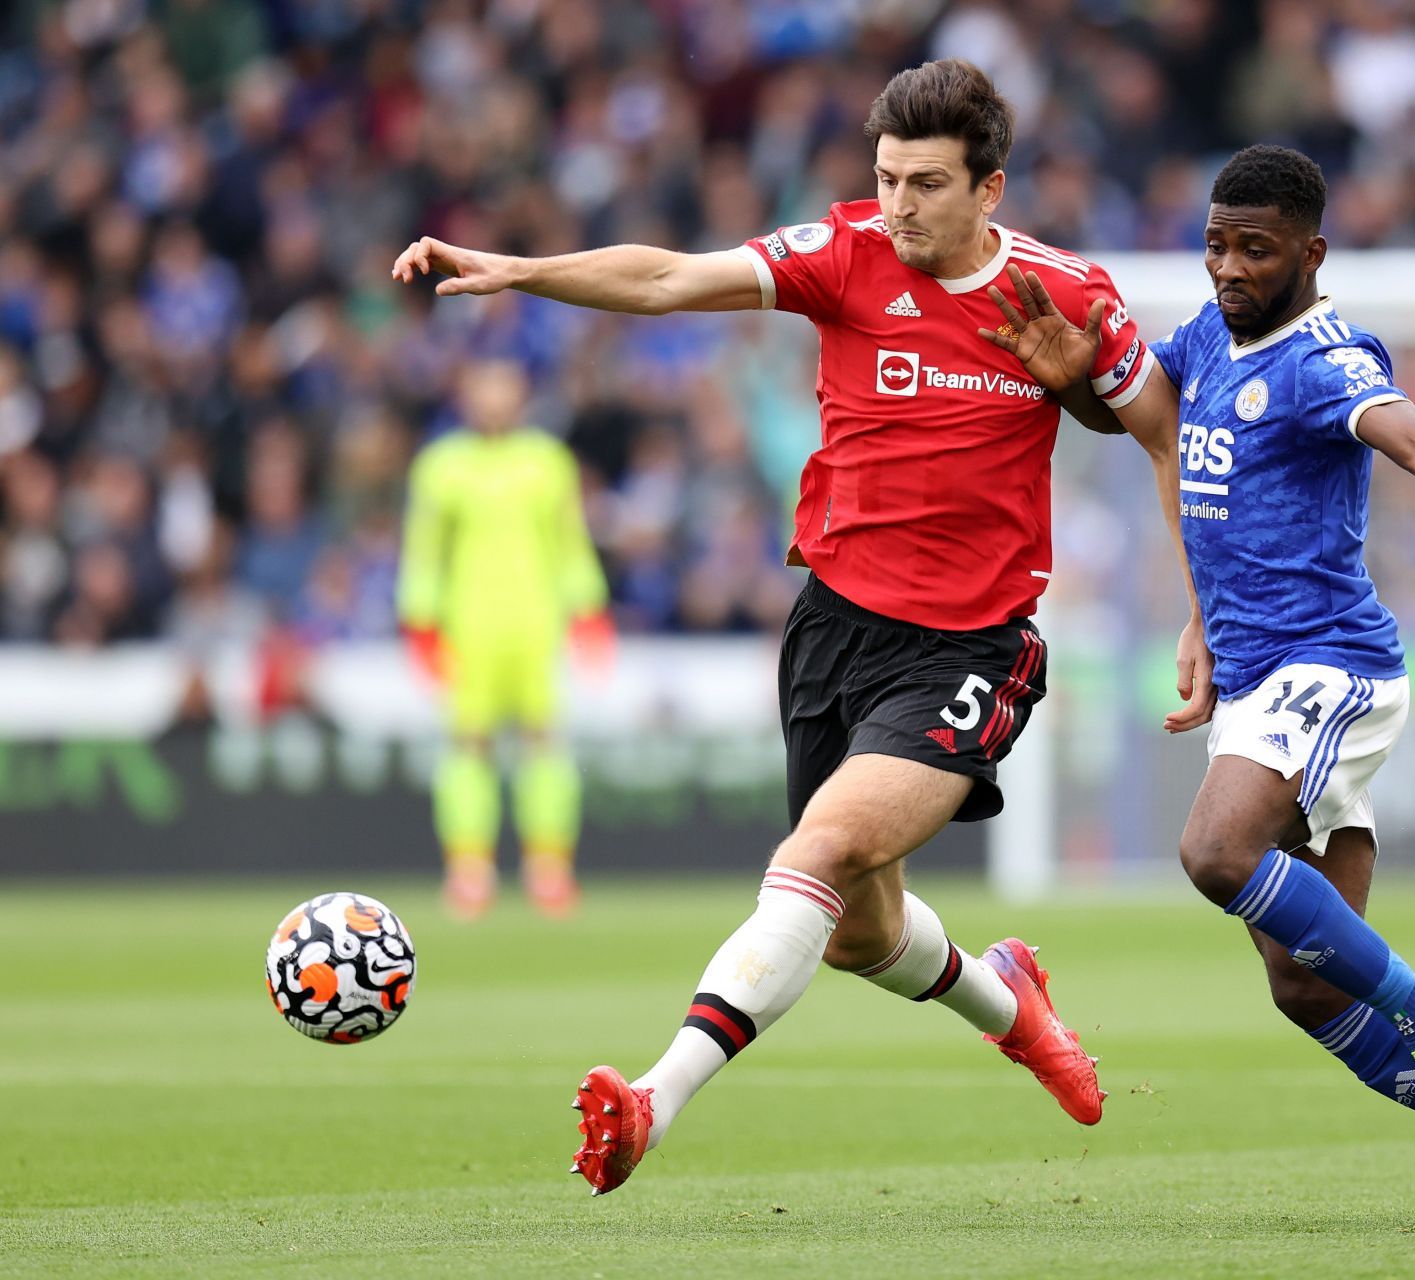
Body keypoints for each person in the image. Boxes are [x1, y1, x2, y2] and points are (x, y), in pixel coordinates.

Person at [392, 60, 1178, 1195]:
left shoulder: (1062, 295)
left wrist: (1088, 408)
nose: (898, 204)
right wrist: (519, 271)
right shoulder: (846, 253)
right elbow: (668, 277)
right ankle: (1013, 1003)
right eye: (886, 177)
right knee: (858, 931)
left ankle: (652, 1100)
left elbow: (1162, 432)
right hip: (832, 629)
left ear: (991, 190)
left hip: (969, 645)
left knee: (813, 852)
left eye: (926, 183)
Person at [988, 144, 1415, 1227]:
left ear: (1312, 252)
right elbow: (1148, 417)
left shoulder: (1327, 356)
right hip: (1258, 682)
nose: (1229, 268)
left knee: (1212, 851)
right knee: (1307, 983)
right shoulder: (1208, 337)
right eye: (1216, 246)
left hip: (1330, 666)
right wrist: (1074, 382)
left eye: (1256, 249)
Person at [395, 358, 615, 920]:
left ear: (521, 396)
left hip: (536, 624)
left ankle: (549, 867)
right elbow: (423, 551)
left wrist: (588, 609)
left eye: (504, 387)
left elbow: (570, 544)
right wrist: (419, 619)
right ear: (466, 396)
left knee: (544, 743)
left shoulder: (547, 462)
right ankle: (469, 869)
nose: (494, 399)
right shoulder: (442, 466)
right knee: (470, 745)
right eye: (484, 387)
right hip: (468, 626)